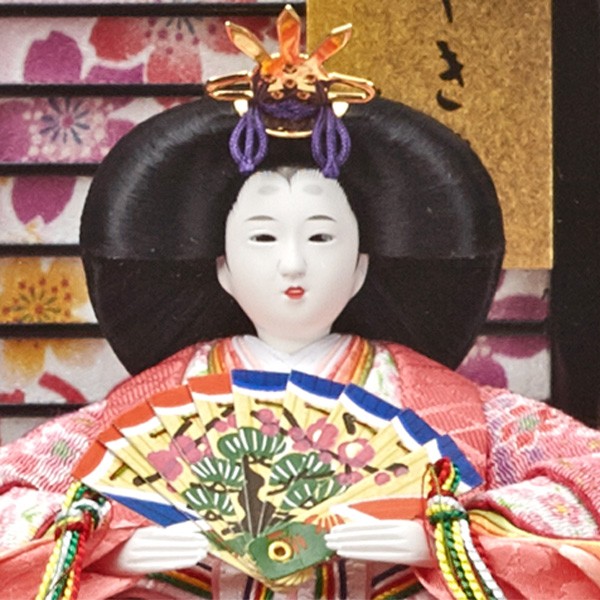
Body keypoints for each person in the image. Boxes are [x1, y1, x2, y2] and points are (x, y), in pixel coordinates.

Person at [1, 10, 600, 599]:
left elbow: (585, 481)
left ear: (362, 267)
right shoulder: (150, 407)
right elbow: (15, 498)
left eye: (320, 237)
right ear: (223, 269)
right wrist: (112, 551)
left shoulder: (443, 403)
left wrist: (444, 538)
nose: (293, 263)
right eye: (263, 238)